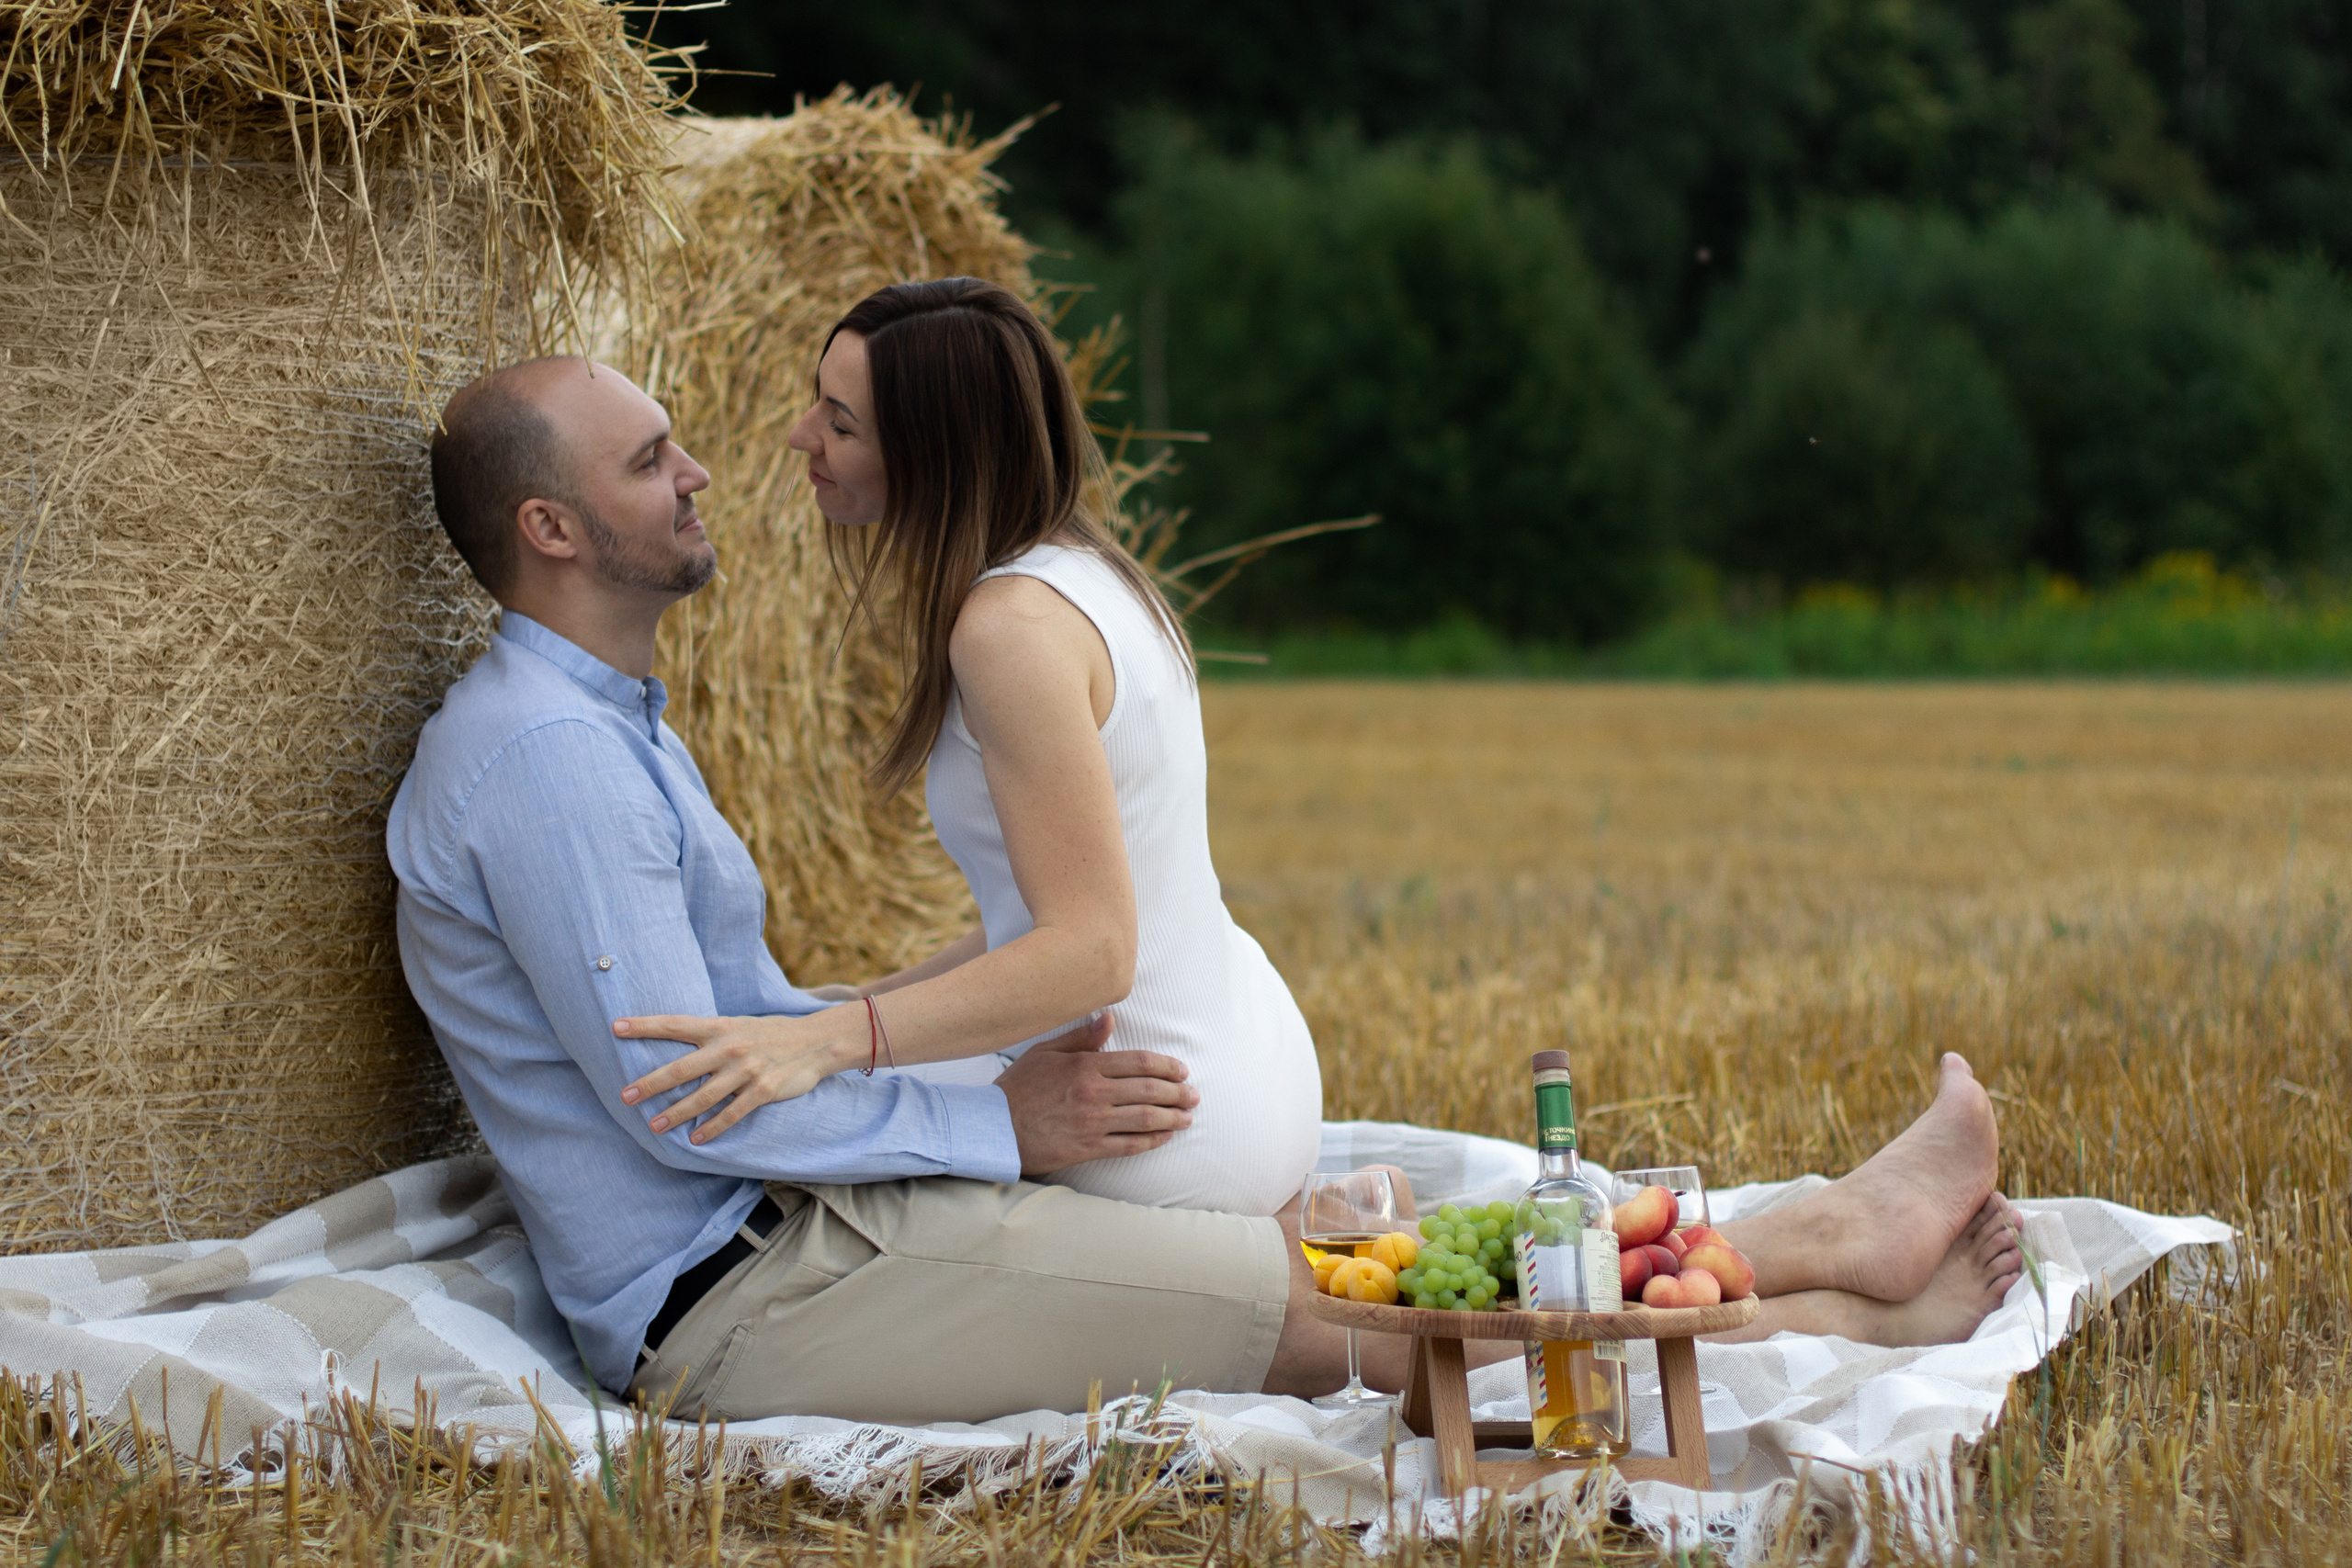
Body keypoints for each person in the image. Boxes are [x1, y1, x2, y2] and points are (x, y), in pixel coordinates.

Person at [389, 353, 2024, 1427]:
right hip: (740, 1302)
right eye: (649, 457)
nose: (705, 470)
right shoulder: (548, 763)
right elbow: (690, 1105)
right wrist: (996, 1120)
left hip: (816, 1221)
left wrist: (904, 1057)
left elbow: (749, 1044)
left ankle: (1808, 1230)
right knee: (1334, 1332)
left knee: (1321, 1271)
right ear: (550, 525)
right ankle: (1843, 1323)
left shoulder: (608, 732)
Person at [608, 277, 1318, 1218]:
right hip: (1240, 1054)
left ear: (936, 455)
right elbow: (1042, 916)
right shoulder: (1091, 575)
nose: (799, 437)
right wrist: (835, 1013)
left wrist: (828, 1044)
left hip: (1154, 1120)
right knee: (816, 1087)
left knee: (759, 1167)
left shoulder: (1008, 629)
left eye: (842, 423)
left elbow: (1094, 952)